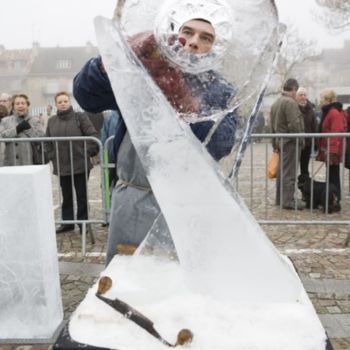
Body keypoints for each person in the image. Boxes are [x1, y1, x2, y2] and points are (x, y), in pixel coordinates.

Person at [74, 17, 237, 264]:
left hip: (188, 204)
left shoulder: (221, 89)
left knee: (179, 278)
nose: (194, 42)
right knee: (127, 277)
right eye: (188, 32)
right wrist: (113, 61)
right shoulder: (143, 73)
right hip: (134, 200)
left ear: (215, 47)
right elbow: (87, 96)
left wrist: (183, 101)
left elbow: (219, 144)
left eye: (206, 37)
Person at [45, 91, 99, 234]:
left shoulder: (80, 117)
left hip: (80, 165)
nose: (63, 104)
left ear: (69, 102)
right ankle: (67, 222)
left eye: (65, 101)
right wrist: (52, 156)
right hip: (62, 165)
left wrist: (87, 152)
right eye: (60, 102)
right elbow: (47, 141)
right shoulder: (51, 121)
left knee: (82, 196)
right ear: (56, 104)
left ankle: (83, 223)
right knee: (66, 195)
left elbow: (92, 135)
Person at [270, 78, 305, 210]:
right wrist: (301, 139)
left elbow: (273, 127)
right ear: (294, 89)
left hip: (281, 141)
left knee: (282, 172)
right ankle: (288, 200)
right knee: (289, 173)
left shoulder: (276, 102)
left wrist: (275, 144)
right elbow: (294, 124)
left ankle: (281, 199)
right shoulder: (290, 102)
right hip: (290, 142)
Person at [316, 89, 347, 201]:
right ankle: (332, 196)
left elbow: (336, 132)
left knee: (333, 175)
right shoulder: (329, 111)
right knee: (331, 174)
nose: (320, 101)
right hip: (328, 148)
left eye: (322, 99)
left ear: (327, 99)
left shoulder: (333, 112)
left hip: (332, 149)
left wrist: (332, 151)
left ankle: (335, 197)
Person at [0, 94, 44, 166]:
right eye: (17, 104)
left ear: (27, 106)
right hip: (11, 161)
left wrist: (29, 130)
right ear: (13, 107)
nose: (20, 106)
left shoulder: (35, 121)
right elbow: (2, 136)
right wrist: (17, 129)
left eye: (23, 103)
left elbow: (41, 139)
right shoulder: (5, 121)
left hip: (30, 161)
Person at [296, 87, 317, 177]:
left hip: (307, 143)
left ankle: (305, 187)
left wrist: (315, 142)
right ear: (296, 96)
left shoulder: (311, 110)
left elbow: (314, 126)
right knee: (292, 167)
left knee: (305, 168)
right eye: (300, 95)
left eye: (304, 95)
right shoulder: (293, 107)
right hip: (295, 142)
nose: (303, 97)